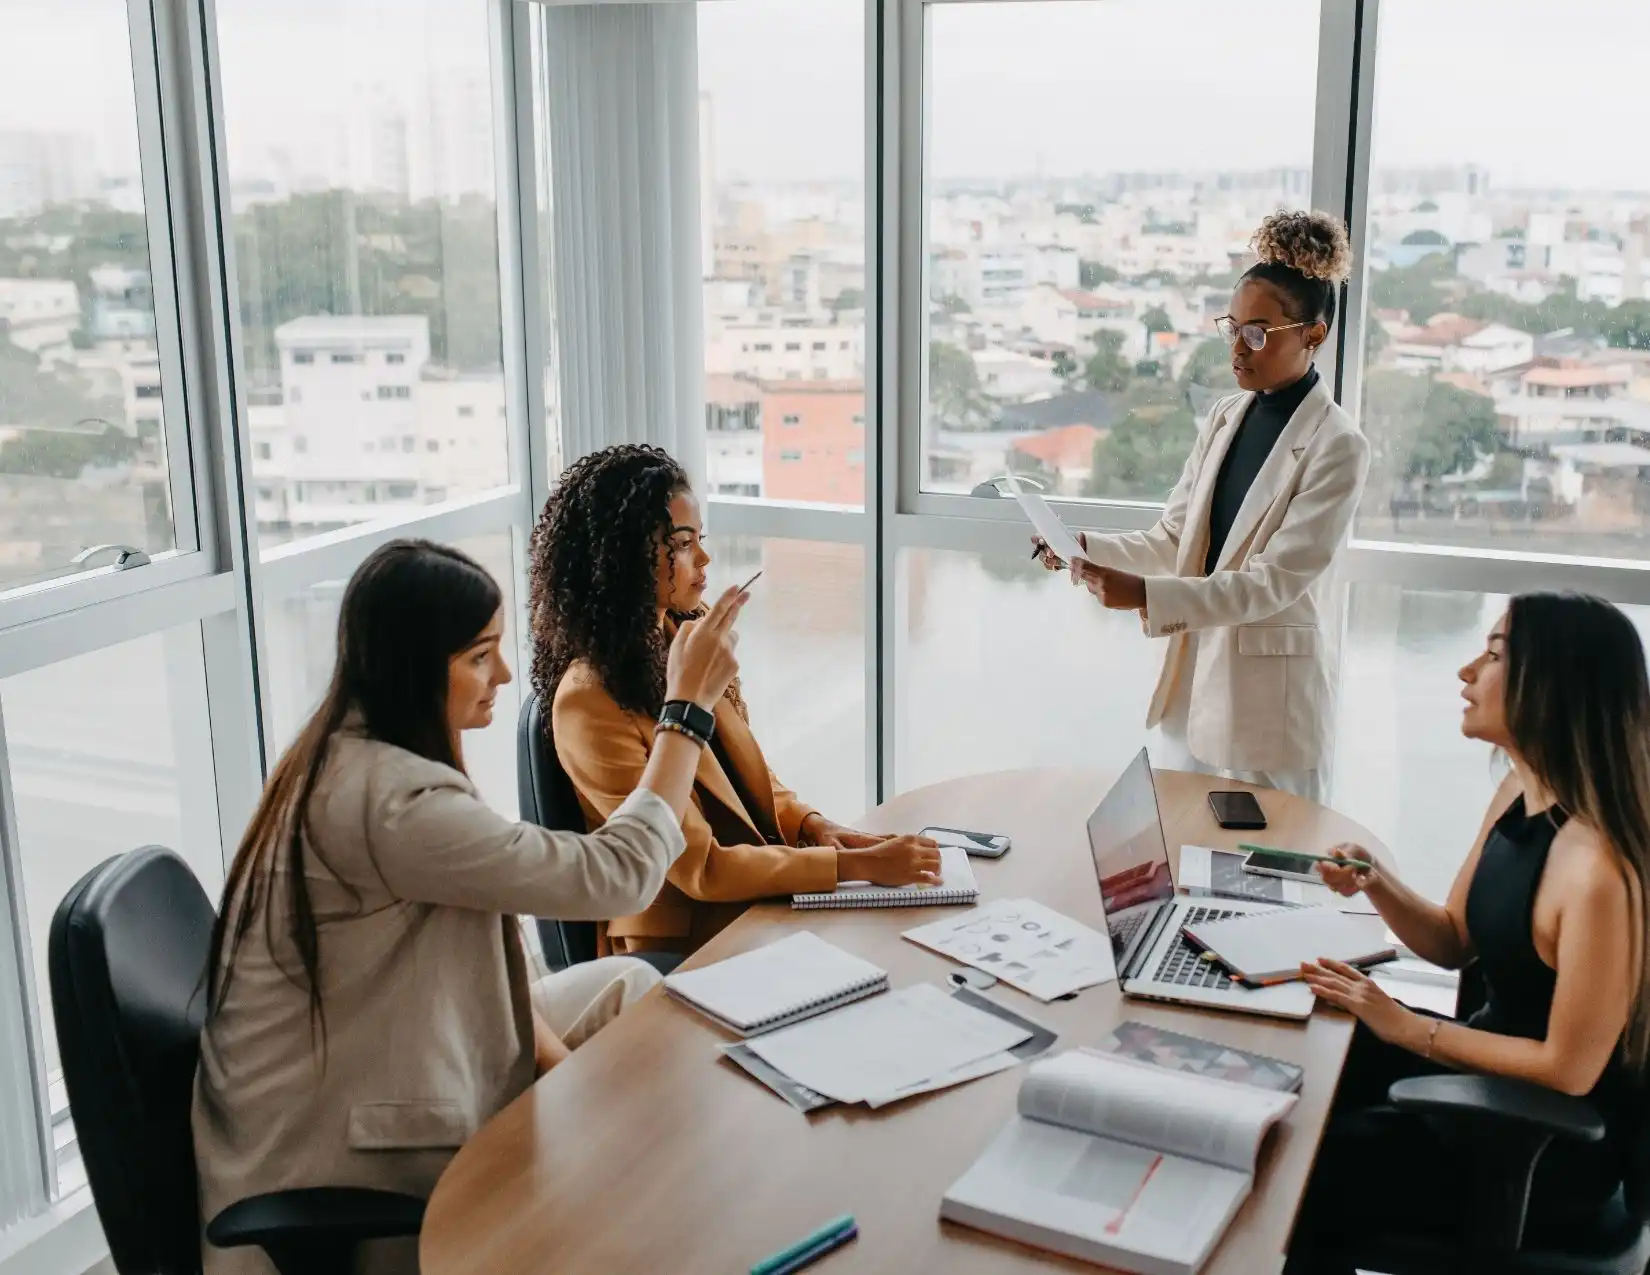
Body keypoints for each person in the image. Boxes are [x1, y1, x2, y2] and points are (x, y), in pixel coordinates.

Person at [194, 539, 747, 1275]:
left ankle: (655, 1189)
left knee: (634, 988)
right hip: (335, 1158)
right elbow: (622, 875)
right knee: (626, 1063)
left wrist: (566, 1069)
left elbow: (493, 951)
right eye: (480, 655)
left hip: (382, 1053)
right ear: (417, 666)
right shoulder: (391, 804)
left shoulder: (365, 751)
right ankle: (646, 1219)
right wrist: (684, 714)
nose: (506, 674)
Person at [1286, 593, 1649, 1269]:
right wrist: (1377, 880)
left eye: (1493, 654)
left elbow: (1570, 1070)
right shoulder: (1519, 789)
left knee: (1298, 1170)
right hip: (1478, 1067)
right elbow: (1453, 936)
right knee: (1297, 1065)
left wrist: (1403, 1026)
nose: (1465, 671)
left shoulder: (1600, 870)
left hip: (1537, 1146)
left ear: (1553, 683)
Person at [530, 443, 940, 957]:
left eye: (700, 539)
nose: (703, 558)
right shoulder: (587, 702)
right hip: (678, 947)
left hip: (747, 904)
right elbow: (701, 869)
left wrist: (816, 827)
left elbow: (748, 779)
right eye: (680, 544)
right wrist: (852, 868)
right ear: (621, 558)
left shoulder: (683, 636)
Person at [1037, 210, 1369, 801]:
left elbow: (1269, 585)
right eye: (1232, 327)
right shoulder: (1226, 415)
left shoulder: (1338, 445)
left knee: (1268, 877)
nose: (1238, 349)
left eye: (1258, 333)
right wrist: (1084, 548)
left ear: (1312, 335)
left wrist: (1143, 594)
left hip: (1270, 715)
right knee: (1182, 856)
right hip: (1192, 694)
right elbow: (1173, 539)